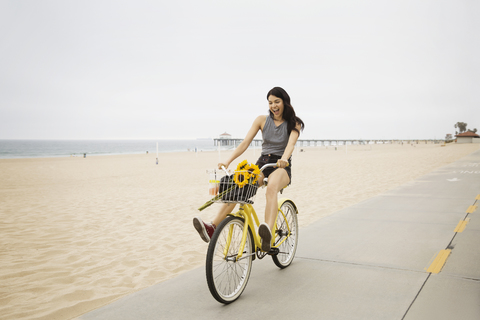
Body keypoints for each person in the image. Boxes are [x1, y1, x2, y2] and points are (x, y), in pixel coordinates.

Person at [193, 87, 305, 252]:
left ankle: (267, 233)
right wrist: (228, 161)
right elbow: (245, 143)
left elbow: (291, 145)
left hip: (281, 165)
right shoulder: (261, 120)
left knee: (271, 188)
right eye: (270, 102)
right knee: (239, 189)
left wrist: (284, 159)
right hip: (263, 163)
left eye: (277, 102)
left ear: (284, 102)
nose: (273, 106)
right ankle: (212, 227)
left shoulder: (294, 123)